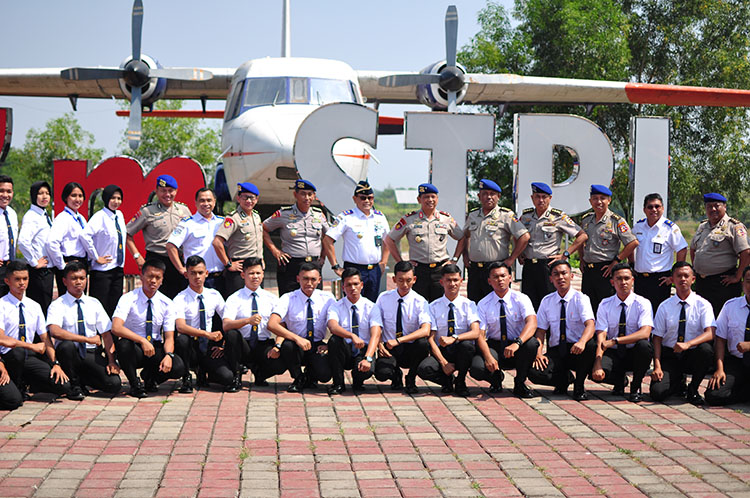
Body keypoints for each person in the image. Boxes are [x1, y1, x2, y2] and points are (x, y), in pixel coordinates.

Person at [0, 261, 75, 401]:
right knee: (13, 400)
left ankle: (32, 381)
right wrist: (31, 346)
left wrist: (55, 364)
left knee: (63, 386)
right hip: (7, 358)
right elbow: (2, 338)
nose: (22, 283)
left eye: (25, 279)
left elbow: (45, 339)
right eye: (17, 279)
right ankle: (17, 386)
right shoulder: (1, 305)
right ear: (7, 281)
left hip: (28, 358)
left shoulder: (34, 306)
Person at [111, 258, 186, 398]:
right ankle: (135, 384)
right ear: (142, 277)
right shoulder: (128, 298)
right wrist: (142, 340)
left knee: (178, 367)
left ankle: (151, 379)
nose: (153, 281)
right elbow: (116, 327)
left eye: (158, 277)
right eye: (150, 276)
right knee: (123, 345)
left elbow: (169, 337)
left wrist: (169, 355)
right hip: (135, 347)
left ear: (162, 280)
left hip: (155, 347)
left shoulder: (167, 303)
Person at [46, 261, 121, 399]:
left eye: (82, 278)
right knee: (66, 346)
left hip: (90, 352)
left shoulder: (94, 303)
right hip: (70, 354)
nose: (78, 282)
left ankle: (83, 379)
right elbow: (55, 332)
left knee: (114, 384)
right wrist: (85, 339)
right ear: (64, 281)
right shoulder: (58, 305)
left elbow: (106, 334)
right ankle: (74, 386)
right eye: (74, 278)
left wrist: (111, 361)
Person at [528, 260, 597, 401]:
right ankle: (563, 380)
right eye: (556, 274)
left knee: (591, 345)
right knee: (534, 372)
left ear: (572, 276)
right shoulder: (546, 301)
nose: (560, 277)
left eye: (564, 273)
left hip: (578, 349)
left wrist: (582, 342)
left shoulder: (581, 299)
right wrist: (539, 353)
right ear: (551, 279)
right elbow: (540, 331)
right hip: (557, 349)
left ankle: (579, 386)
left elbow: (590, 325)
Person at [384, 183, 463, 301]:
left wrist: (454, 259)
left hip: (440, 270)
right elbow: (389, 239)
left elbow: (461, 237)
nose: (430, 200)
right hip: (418, 271)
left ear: (437, 199)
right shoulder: (409, 219)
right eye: (426, 197)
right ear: (419, 199)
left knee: (441, 305)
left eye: (433, 197)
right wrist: (401, 262)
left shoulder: (445, 218)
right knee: (418, 305)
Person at [470, 262, 539, 398]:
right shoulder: (483, 303)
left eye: (503, 276)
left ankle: (520, 383)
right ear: (489, 281)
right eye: (495, 277)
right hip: (495, 345)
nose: (500, 280)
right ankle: (495, 378)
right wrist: (489, 357)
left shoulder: (521, 299)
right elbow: (480, 334)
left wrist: (517, 343)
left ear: (510, 278)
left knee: (531, 344)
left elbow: (532, 323)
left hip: (517, 345)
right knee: (477, 368)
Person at [650, 262, 714, 405]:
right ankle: (677, 383)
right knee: (657, 393)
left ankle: (693, 388)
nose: (683, 279)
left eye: (686, 276)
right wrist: (657, 366)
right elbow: (657, 338)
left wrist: (688, 344)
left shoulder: (703, 304)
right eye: (679, 276)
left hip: (692, 353)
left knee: (706, 350)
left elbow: (710, 333)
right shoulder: (664, 306)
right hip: (671, 354)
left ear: (693, 279)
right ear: (672, 280)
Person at [266, 263, 335, 392]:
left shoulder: (328, 299)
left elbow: (337, 325)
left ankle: (311, 375)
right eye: (305, 278)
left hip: (316, 344)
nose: (309, 283)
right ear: (298, 279)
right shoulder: (288, 298)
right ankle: (298, 377)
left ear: (319, 280)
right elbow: (272, 324)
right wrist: (297, 339)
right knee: (287, 345)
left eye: (313, 279)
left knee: (325, 375)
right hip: (295, 346)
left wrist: (328, 345)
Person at [457, 179, 529, 303]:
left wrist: (512, 258)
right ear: (479, 196)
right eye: (484, 194)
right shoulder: (473, 215)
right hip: (475, 269)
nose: (488, 197)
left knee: (498, 304)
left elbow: (524, 236)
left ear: (498, 196)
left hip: (496, 268)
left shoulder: (506, 215)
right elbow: (466, 235)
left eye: (492, 194)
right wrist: (465, 255)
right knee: (474, 304)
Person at [519, 182, 587, 311]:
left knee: (549, 305)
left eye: (544, 197)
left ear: (550, 198)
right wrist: (520, 252)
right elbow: (518, 235)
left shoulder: (558, 216)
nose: (541, 200)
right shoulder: (525, 217)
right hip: (529, 266)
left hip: (547, 266)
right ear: (532, 198)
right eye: (537, 196)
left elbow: (582, 236)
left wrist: (565, 254)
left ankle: (551, 332)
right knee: (529, 305)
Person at [591, 263, 654, 402]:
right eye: (619, 279)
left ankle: (636, 387)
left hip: (634, 352)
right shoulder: (605, 304)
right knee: (594, 371)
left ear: (633, 280)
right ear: (612, 282)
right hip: (613, 352)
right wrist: (597, 362)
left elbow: (645, 333)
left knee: (645, 346)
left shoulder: (642, 303)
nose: (623, 282)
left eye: (627, 278)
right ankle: (618, 381)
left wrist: (616, 340)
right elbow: (601, 334)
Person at [173, 255, 233, 393]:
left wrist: (223, 344)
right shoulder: (180, 298)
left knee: (227, 378)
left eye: (200, 273)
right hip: (190, 346)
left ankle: (207, 372)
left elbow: (228, 320)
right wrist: (206, 334)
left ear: (206, 273)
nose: (197, 277)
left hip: (209, 347)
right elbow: (180, 326)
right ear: (186, 274)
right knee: (182, 339)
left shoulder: (214, 295)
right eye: (193, 273)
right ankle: (186, 377)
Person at [417, 264, 479, 397]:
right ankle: (447, 381)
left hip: (462, 350)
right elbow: (431, 338)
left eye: (455, 280)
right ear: (441, 282)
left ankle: (461, 381)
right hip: (442, 351)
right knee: (424, 369)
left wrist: (455, 338)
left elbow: (475, 332)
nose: (452, 284)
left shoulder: (469, 305)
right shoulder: (433, 306)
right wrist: (443, 363)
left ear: (461, 281)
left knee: (467, 345)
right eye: (448, 280)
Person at [369, 261, 431, 394]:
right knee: (381, 373)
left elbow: (426, 330)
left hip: (409, 347)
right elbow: (376, 324)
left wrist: (399, 340)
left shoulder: (420, 301)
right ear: (394, 279)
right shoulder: (383, 298)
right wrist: (379, 345)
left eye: (408, 280)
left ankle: (411, 378)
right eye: (400, 280)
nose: (404, 285)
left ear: (414, 279)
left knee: (423, 344)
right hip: (389, 347)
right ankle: (395, 375)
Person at [126, 174, 192, 299]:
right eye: (163, 191)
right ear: (156, 191)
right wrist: (137, 257)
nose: (167, 194)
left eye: (171, 191)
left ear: (176, 191)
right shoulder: (147, 211)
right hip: (156, 259)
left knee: (179, 298)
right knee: (154, 297)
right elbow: (127, 234)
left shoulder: (184, 210)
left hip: (178, 262)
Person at [323, 181, 390, 302]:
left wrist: (384, 262)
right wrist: (335, 266)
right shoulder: (346, 217)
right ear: (355, 199)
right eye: (363, 198)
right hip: (354, 269)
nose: (367, 201)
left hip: (375, 270)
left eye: (370, 198)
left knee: (372, 305)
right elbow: (328, 241)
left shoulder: (380, 217)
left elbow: (388, 241)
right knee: (352, 303)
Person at [263, 179, 329, 295]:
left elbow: (328, 237)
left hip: (314, 264)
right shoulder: (283, 214)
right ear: (295, 194)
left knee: (314, 300)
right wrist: (275, 251)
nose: (306, 198)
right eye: (303, 194)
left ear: (314, 196)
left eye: (310, 194)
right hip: (291, 265)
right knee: (289, 300)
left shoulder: (319, 215)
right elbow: (263, 228)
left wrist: (323, 256)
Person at [579, 184, 638, 313]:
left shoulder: (616, 221)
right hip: (588, 271)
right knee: (588, 307)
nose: (599, 202)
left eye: (602, 198)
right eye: (595, 198)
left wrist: (617, 261)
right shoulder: (586, 220)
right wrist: (581, 258)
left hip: (606, 270)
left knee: (606, 307)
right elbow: (581, 239)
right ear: (590, 201)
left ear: (609, 200)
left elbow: (632, 243)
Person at [223, 257, 281, 388]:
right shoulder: (234, 298)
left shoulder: (272, 299)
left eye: (258, 273)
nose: (255, 277)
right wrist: (247, 321)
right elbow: (226, 325)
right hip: (242, 345)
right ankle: (236, 375)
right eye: (251, 273)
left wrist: (278, 346)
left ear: (263, 274)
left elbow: (281, 325)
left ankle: (260, 373)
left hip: (263, 343)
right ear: (243, 275)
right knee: (232, 334)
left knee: (281, 362)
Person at [690, 192, 750, 316]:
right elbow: (693, 249)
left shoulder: (733, 226)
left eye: (716, 206)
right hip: (703, 283)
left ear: (724, 207)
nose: (713, 209)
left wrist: (738, 277)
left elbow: (746, 252)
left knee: (722, 319)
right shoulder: (702, 226)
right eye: (709, 206)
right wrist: (696, 268)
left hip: (722, 283)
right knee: (703, 318)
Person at [632, 193, 688, 311]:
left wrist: (674, 275)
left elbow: (682, 249)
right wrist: (631, 265)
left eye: (657, 206)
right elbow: (631, 245)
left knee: (658, 315)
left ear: (662, 208)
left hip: (660, 280)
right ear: (644, 209)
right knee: (639, 313)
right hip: (640, 279)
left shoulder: (670, 228)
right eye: (650, 207)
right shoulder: (638, 226)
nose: (654, 210)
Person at [326, 267, 378, 394]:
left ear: (361, 285)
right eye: (348, 285)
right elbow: (333, 327)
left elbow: (375, 335)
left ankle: (358, 381)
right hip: (345, 350)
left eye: (356, 284)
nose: (352, 288)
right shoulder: (336, 306)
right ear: (343, 287)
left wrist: (368, 358)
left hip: (363, 350)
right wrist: (351, 336)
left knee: (366, 370)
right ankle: (338, 384)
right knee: (334, 340)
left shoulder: (371, 307)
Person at [705, 266, 750, 406]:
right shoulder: (731, 306)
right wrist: (719, 368)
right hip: (736, 362)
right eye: (748, 281)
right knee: (713, 395)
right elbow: (720, 339)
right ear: (742, 283)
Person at [167, 188, 225, 293]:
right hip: (195, 279)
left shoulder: (222, 222)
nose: (206, 203)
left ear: (214, 202)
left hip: (219, 278)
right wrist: (181, 268)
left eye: (209, 200)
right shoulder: (187, 223)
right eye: (202, 200)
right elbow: (171, 246)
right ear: (196, 203)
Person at [213, 183, 264, 298]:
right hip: (240, 268)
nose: (249, 201)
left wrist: (262, 259)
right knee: (238, 304)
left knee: (257, 301)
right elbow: (217, 242)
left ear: (257, 199)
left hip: (256, 266)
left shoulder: (256, 217)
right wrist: (228, 264)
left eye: (252, 197)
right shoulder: (233, 218)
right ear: (238, 198)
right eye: (245, 197)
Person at [83, 185, 127, 317]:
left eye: (119, 198)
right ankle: (97, 336)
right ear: (106, 198)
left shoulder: (119, 215)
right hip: (103, 271)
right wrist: (96, 257)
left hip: (118, 269)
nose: (116, 201)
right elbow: (85, 236)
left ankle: (112, 337)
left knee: (114, 307)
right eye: (113, 198)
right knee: (100, 308)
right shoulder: (99, 217)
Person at [47, 182, 96, 296]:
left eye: (80, 196)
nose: (77, 199)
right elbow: (51, 243)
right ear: (66, 197)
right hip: (69, 262)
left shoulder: (81, 218)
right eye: (73, 195)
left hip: (81, 263)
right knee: (68, 301)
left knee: (81, 299)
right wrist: (62, 266)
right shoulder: (62, 218)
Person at [17, 181, 54, 313]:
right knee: (40, 310)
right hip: (39, 273)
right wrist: (34, 262)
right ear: (34, 196)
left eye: (47, 193)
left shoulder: (44, 215)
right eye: (40, 193)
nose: (44, 197)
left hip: (47, 271)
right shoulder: (32, 216)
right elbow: (22, 241)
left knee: (46, 309)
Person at [0, 174, 18, 297]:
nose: (5, 195)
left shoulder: (12, 213)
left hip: (10, 269)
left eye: (9, 191)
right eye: (1, 191)